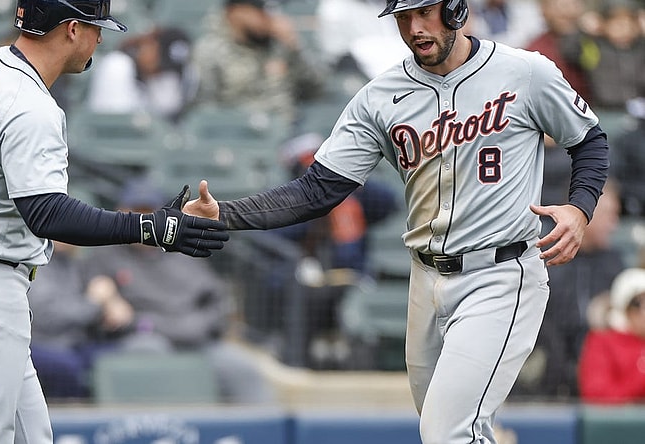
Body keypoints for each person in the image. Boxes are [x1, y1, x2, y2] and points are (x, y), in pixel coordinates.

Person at [182, 1, 610, 442]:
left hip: (500, 273)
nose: (415, 27)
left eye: (425, 12)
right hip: (425, 280)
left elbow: (590, 140)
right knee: (457, 431)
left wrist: (579, 208)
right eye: (404, 16)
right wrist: (225, 213)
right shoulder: (381, 95)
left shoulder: (525, 72)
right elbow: (317, 191)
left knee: (447, 433)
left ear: (457, 10)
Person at [0, 1, 228, 442]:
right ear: (70, 29)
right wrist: (150, 227)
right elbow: (48, 213)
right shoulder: (32, 105)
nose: (100, 38)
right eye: (94, 26)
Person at [81, 178, 276, 404]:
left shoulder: (182, 250)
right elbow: (100, 308)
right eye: (137, 211)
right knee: (152, 357)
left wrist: (200, 325)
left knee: (242, 370)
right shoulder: (105, 256)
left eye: (149, 211)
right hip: (146, 338)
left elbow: (217, 301)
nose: (144, 218)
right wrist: (125, 313)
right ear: (122, 212)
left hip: (197, 340)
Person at [518, 181, 625, 399]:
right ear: (589, 214)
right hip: (545, 364)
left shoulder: (615, 263)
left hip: (594, 367)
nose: (614, 225)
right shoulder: (545, 253)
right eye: (610, 215)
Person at [191, 0, 327, 124]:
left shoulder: (279, 45)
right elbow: (205, 110)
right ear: (236, 11)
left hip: (288, 128)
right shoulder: (210, 50)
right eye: (260, 10)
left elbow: (317, 91)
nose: (268, 17)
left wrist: (294, 47)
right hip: (238, 134)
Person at [28, 241, 133, 400]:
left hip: (78, 343)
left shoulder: (78, 264)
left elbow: (101, 301)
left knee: (125, 355)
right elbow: (47, 317)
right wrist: (94, 304)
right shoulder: (34, 263)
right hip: (41, 343)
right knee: (65, 366)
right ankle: (69, 422)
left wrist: (110, 314)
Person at [86, 26, 196, 122]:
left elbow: (169, 111)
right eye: (160, 65)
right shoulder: (117, 64)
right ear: (149, 44)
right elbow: (117, 123)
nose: (159, 72)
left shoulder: (172, 74)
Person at [578, 267, 645, 404]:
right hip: (623, 422)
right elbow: (598, 395)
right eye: (639, 304)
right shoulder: (602, 342)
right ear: (625, 307)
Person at [524, 0, 592, 102]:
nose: (566, 11)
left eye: (573, 4)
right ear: (544, 10)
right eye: (558, 5)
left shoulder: (592, 40)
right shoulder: (536, 52)